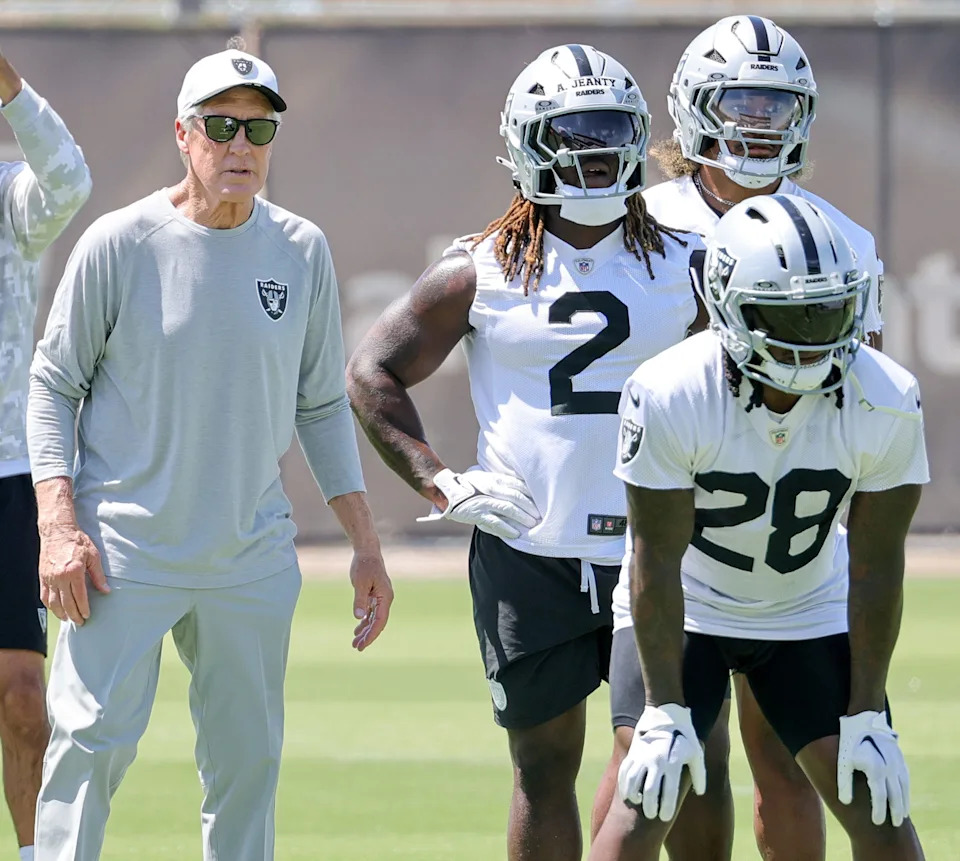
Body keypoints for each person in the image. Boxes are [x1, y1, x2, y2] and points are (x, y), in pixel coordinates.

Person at [347, 44, 736, 861]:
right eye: (572, 133)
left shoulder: (691, 264)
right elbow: (372, 370)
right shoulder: (479, 268)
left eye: (610, 132)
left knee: (675, 757)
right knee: (542, 767)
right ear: (527, 141)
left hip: (657, 548)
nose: (593, 153)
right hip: (531, 548)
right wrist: (440, 479)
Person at [26, 46, 393, 861]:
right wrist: (58, 524)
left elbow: (322, 403)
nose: (241, 145)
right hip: (120, 552)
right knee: (85, 755)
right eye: (222, 126)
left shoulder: (302, 249)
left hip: (249, 557)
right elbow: (52, 386)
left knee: (247, 768)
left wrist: (366, 542)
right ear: (183, 137)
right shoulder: (119, 243)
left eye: (258, 129)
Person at [597, 17, 886, 859]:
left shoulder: (838, 239)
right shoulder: (634, 219)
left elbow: (853, 392)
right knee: (658, 761)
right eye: (740, 101)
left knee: (785, 762)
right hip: (656, 517)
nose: (757, 123)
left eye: (775, 104)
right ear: (693, 107)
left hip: (778, 534)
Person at [590, 193, 928, 861]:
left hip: (806, 605)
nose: (810, 333)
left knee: (881, 808)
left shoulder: (885, 396)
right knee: (648, 800)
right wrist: (663, 709)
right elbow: (654, 556)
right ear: (727, 305)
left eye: (827, 308)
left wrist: (867, 711)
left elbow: (877, 564)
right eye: (785, 312)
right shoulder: (671, 391)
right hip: (688, 608)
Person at [0, 47, 92, 861]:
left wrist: (11, 87)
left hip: (6, 479)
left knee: (25, 698)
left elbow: (69, 179)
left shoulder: (10, 198)